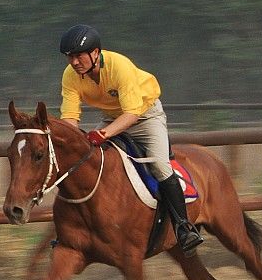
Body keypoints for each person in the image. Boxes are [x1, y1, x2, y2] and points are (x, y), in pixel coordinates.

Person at [58, 24, 203, 253]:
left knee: (159, 164)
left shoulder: (119, 66)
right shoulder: (70, 76)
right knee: (85, 161)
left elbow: (132, 113)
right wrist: (69, 145)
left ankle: (184, 227)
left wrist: (104, 134)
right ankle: (75, 229)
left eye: (78, 56)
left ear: (95, 53)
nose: (74, 62)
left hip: (145, 116)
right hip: (113, 117)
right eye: (69, 57)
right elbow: (69, 118)